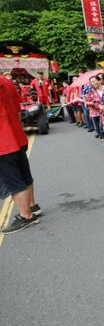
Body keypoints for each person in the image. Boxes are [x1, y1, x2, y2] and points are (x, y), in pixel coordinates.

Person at [0, 75, 42, 234]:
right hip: (16, 135)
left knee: (12, 181)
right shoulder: (6, 80)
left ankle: (26, 216)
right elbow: (18, 109)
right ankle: (32, 206)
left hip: (3, 142)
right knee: (25, 175)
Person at [85, 75, 104, 140]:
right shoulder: (91, 91)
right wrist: (91, 103)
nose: (93, 83)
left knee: (103, 126)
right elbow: (87, 102)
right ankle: (101, 136)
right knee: (97, 127)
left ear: (99, 80)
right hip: (94, 111)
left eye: (94, 81)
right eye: (91, 82)